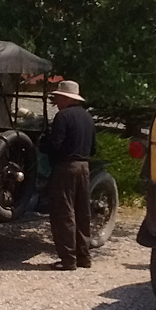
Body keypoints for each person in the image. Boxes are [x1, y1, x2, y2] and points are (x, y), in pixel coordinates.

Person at [39, 79, 97, 271]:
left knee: (63, 213)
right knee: (82, 212)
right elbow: (94, 148)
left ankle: (68, 259)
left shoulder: (63, 116)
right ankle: (84, 256)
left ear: (66, 98)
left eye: (58, 98)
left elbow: (55, 144)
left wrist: (43, 144)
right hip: (84, 167)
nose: (57, 102)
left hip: (66, 167)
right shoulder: (88, 118)